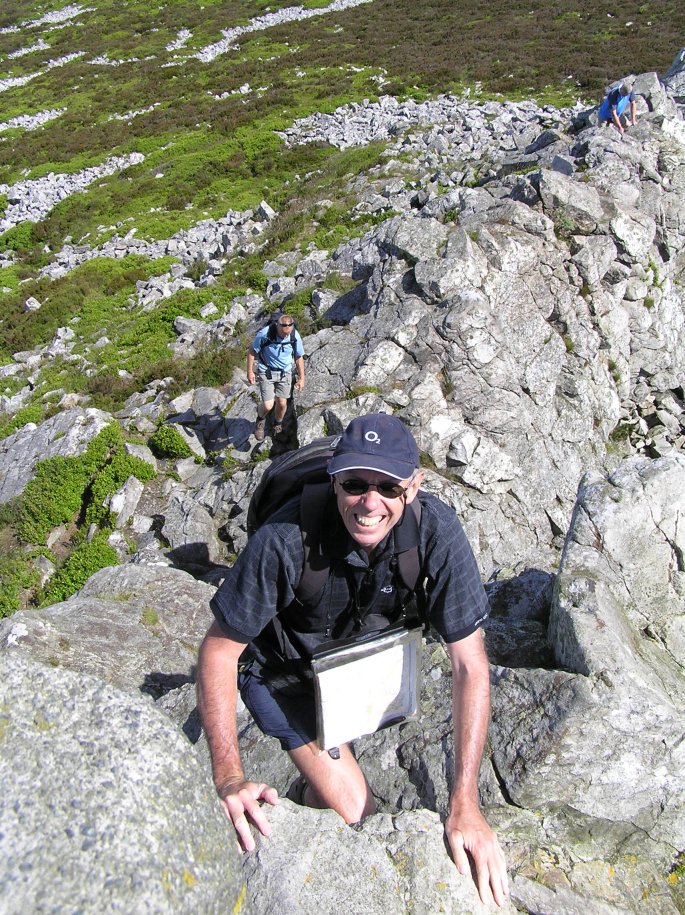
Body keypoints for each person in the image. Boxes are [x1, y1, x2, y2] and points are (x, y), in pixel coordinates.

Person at [197, 413, 509, 907]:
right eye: (356, 484)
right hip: (286, 675)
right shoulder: (284, 540)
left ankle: (310, 789)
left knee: (334, 790)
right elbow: (218, 651)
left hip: (354, 671)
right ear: (335, 479)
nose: (370, 502)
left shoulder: (435, 532)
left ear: (414, 486)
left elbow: (470, 665)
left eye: (388, 486)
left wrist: (465, 804)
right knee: (352, 805)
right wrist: (229, 777)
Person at [246, 313, 305, 441]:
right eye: (283, 333)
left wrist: (302, 378)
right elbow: (251, 352)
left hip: (285, 372)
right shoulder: (265, 334)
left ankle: (278, 423)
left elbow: (298, 357)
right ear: (277, 326)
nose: (285, 336)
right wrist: (250, 372)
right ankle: (260, 420)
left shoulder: (294, 336)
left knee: (282, 403)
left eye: (288, 333)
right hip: (266, 371)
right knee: (268, 405)